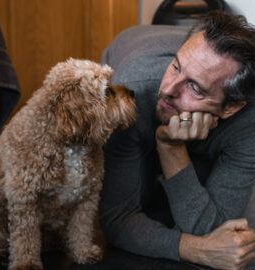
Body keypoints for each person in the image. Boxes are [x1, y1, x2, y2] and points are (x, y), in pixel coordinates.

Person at [99, 11, 255, 270]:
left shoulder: (249, 123)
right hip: (131, 48)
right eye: (176, 66)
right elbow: (116, 218)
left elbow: (216, 231)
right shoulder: (130, 95)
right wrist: (195, 250)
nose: (169, 89)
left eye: (194, 87)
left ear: (230, 108)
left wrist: (171, 147)